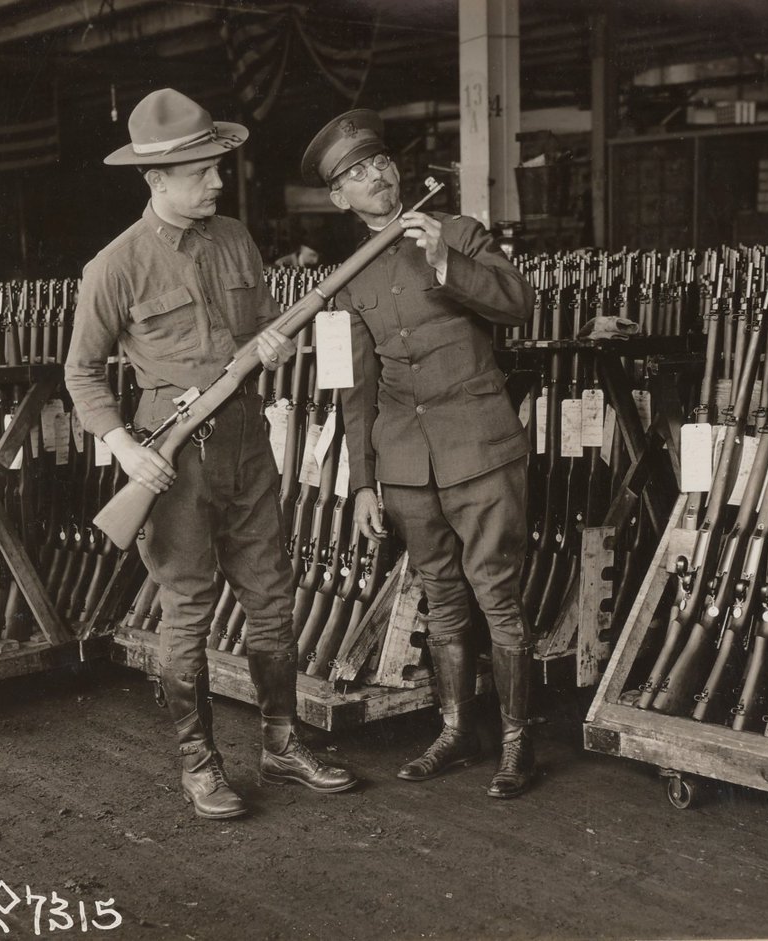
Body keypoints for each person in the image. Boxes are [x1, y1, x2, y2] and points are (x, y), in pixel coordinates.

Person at [65, 88, 358, 820]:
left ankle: (282, 743)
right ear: (156, 179)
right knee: (188, 613)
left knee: (273, 595)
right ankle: (199, 763)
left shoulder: (234, 238)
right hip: (170, 460)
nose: (219, 181)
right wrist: (125, 448)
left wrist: (272, 344)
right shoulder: (114, 266)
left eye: (218, 166)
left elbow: (259, 328)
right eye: (202, 171)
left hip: (246, 445)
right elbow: (81, 373)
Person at [300, 110, 538, 798]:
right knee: (441, 598)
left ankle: (518, 744)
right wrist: (365, 484)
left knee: (497, 595)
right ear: (339, 198)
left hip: (482, 449)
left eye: (377, 162)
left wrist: (445, 259)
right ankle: (455, 728)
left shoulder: (458, 231)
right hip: (406, 466)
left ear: (396, 170)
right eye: (353, 175)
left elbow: (519, 303)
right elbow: (354, 391)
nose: (371, 176)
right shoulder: (343, 279)